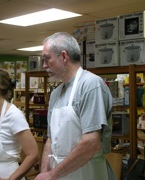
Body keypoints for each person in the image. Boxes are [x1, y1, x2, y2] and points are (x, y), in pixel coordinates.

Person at [35, 32, 115, 180]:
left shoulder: (90, 85)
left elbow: (90, 142)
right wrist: (44, 173)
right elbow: (51, 140)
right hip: (59, 174)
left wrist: (53, 174)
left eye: (47, 59)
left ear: (64, 57)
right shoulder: (55, 93)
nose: (44, 65)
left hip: (87, 173)